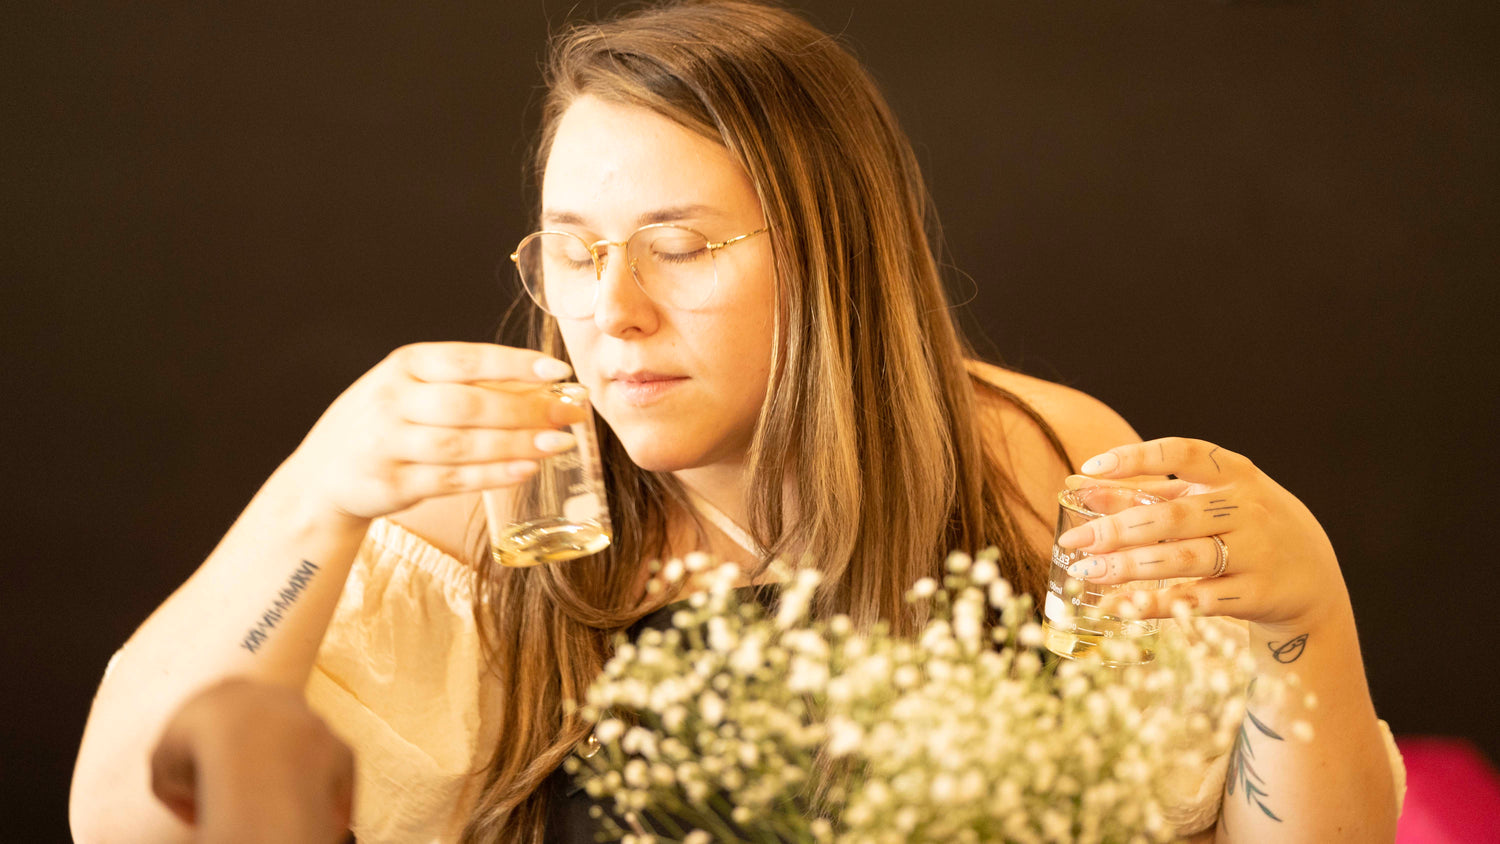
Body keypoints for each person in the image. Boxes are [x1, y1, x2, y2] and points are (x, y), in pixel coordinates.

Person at [70, 1, 1404, 842]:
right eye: (574, 250)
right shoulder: (480, 511)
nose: (612, 313)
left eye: (680, 246)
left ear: (835, 256)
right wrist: (312, 498)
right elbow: (125, 823)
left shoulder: (1040, 470)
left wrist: (1308, 620)